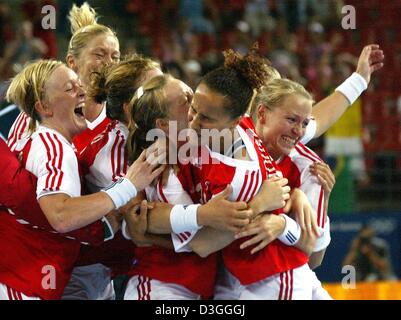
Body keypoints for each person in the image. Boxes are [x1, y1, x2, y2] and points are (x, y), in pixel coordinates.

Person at [0, 60, 164, 300]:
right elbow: (61, 216)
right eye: (70, 88)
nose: (82, 91)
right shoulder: (54, 147)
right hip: (21, 285)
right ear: (44, 107)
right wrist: (128, 186)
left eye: (79, 85)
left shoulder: (33, 133)